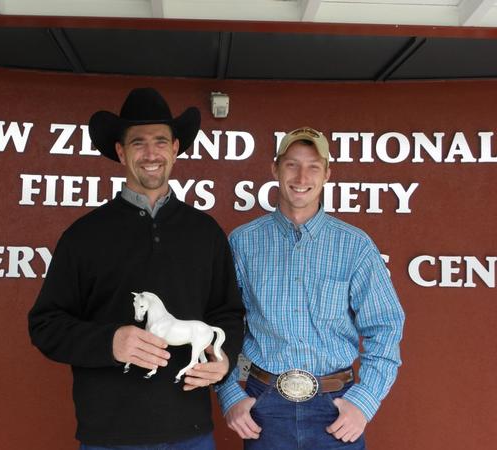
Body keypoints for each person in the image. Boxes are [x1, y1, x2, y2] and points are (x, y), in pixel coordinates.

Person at [28, 88, 244, 449]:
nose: (150, 153)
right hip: (110, 434)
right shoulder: (84, 235)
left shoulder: (205, 232)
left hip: (189, 432)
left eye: (160, 141)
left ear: (175, 148)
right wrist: (110, 342)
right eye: (138, 142)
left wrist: (223, 360)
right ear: (120, 151)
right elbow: (45, 325)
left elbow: (229, 313)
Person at [216, 127, 405, 449]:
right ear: (275, 168)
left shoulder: (354, 246)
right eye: (291, 164)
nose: (301, 176)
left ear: (327, 174)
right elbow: (224, 324)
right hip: (264, 409)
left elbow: (386, 326)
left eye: (313, 166)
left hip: (335, 409)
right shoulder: (243, 242)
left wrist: (365, 400)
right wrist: (230, 393)